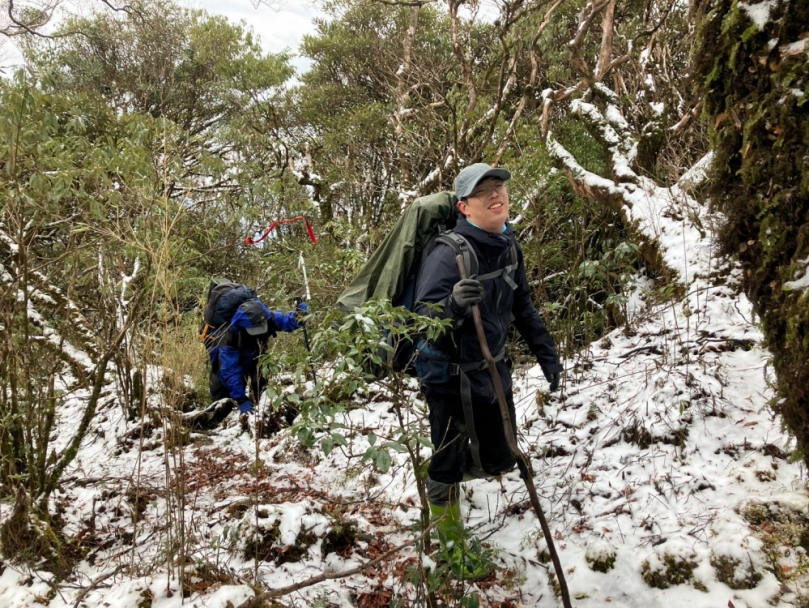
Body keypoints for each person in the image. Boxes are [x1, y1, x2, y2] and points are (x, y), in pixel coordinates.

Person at [413, 163, 563, 570]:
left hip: (493, 371)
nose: (495, 194)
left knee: (500, 459)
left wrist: (548, 357)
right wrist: (452, 305)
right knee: (448, 462)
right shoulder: (448, 254)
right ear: (464, 207)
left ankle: (442, 479)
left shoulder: (509, 246)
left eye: (499, 187)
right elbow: (422, 324)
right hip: (448, 377)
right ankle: (451, 548)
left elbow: (523, 306)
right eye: (483, 191)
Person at [207, 297, 308, 422]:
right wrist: (241, 399)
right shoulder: (228, 338)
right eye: (253, 331)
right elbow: (230, 371)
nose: (257, 333)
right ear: (242, 327)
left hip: (256, 358)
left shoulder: (266, 318)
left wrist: (300, 315)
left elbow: (287, 320)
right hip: (225, 367)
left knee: (261, 387)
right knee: (222, 402)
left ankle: (260, 416)